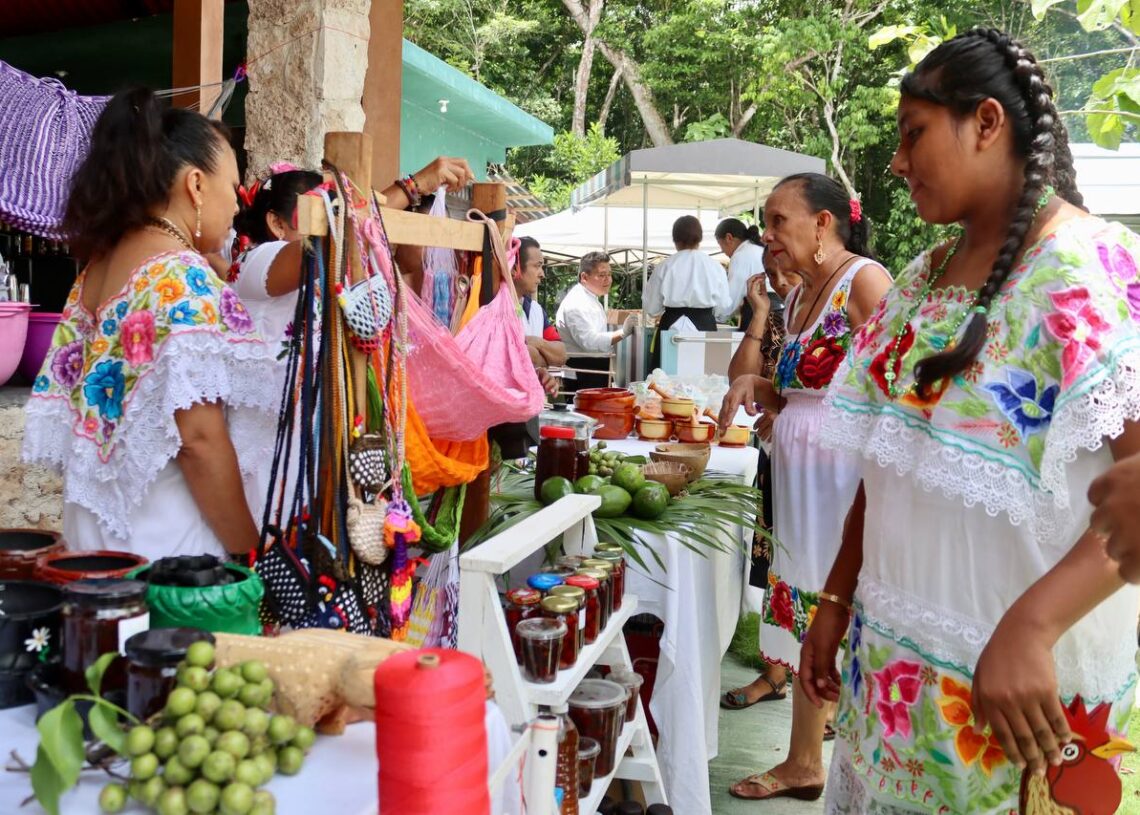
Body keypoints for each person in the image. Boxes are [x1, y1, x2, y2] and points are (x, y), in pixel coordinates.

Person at [798, 29, 1140, 815]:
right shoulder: (920, 281)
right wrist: (837, 598)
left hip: (1018, 708)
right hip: (893, 689)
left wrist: (1034, 624)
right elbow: (889, 461)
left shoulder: (1093, 269)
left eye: (913, 132)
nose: (897, 162)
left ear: (986, 122)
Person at [22, 87, 278, 560]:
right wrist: (251, 551)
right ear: (196, 185)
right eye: (232, 187)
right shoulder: (180, 276)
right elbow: (199, 441)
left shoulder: (98, 268)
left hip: (95, 545)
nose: (238, 206)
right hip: (168, 550)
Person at [717, 172, 891, 801]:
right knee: (807, 609)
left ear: (822, 223)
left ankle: (839, 764)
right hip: (802, 483)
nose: (766, 235)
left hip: (845, 482)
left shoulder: (863, 282)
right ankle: (805, 761)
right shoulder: (797, 299)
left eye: (777, 220)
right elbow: (799, 393)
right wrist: (757, 389)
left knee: (838, 606)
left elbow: (899, 390)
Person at [720, 249, 802, 711]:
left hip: (821, 460)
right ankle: (776, 675)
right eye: (772, 274)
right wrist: (759, 312)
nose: (781, 281)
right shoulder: (778, 313)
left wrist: (788, 411)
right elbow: (739, 376)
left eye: (788, 271)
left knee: (822, 570)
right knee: (779, 564)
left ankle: (823, 691)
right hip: (777, 454)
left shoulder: (839, 310)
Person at [643, 215, 733, 370]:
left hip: (671, 325)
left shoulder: (664, 266)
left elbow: (651, 308)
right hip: (704, 326)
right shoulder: (715, 267)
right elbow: (723, 309)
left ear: (675, 239)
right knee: (705, 377)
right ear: (700, 239)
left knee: (665, 377)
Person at [556, 251, 636, 389]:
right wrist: (622, 332)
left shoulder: (590, 298)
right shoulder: (576, 303)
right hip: (584, 371)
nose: (608, 280)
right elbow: (589, 342)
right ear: (584, 277)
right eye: (602, 275)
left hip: (594, 369)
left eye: (609, 274)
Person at [514, 236, 567, 373]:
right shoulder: (497, 308)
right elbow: (519, 356)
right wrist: (544, 359)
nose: (542, 274)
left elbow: (562, 354)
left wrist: (538, 343)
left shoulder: (536, 309)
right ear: (515, 268)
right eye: (537, 266)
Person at [717, 217, 768, 325]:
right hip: (774, 310)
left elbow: (732, 296)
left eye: (721, 245)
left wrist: (718, 317)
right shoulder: (758, 249)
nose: (722, 251)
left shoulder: (741, 255)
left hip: (759, 313)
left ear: (729, 238)